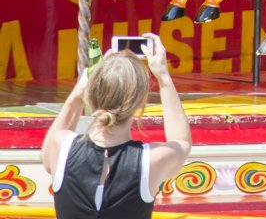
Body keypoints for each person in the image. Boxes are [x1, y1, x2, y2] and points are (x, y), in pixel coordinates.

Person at [41, 33, 191, 218]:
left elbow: (47, 156)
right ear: (139, 104)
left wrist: (77, 95)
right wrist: (163, 77)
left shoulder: (60, 145)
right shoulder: (153, 159)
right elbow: (181, 142)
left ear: (91, 94)